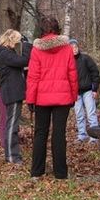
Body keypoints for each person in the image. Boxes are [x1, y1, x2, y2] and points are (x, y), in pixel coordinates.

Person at [26, 16, 78, 180]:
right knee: (59, 134)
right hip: (63, 96)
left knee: (40, 133)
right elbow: (72, 74)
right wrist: (73, 96)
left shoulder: (37, 49)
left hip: (42, 97)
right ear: (57, 28)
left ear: (42, 30)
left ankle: (37, 171)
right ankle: (61, 173)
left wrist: (30, 99)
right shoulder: (67, 48)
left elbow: (33, 76)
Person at [0, 29, 32, 165]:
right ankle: (12, 156)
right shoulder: (5, 54)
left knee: (12, 124)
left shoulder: (5, 53)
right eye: (18, 40)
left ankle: (12, 155)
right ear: (11, 40)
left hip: (13, 91)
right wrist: (27, 45)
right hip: (12, 92)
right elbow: (25, 60)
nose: (19, 42)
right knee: (12, 125)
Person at [69, 38, 100, 142]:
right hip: (75, 93)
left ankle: (94, 137)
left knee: (91, 114)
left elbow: (95, 73)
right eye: (71, 47)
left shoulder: (85, 58)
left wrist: (94, 89)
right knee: (79, 115)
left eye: (75, 47)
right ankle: (82, 135)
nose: (74, 49)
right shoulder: (68, 61)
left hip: (88, 90)